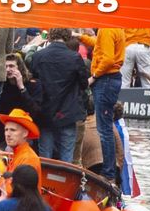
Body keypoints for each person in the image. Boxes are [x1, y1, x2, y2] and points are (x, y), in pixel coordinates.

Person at [28, 28, 89, 162]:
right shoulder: (74, 57)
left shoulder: (39, 56)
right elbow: (84, 83)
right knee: (67, 155)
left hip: (46, 111)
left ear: (49, 37)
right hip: (68, 111)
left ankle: (44, 180)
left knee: (45, 155)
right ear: (67, 37)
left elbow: (33, 80)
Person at [78, 29, 126, 181]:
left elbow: (108, 59)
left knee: (104, 130)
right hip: (111, 79)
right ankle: (109, 171)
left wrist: (94, 76)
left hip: (105, 79)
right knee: (105, 128)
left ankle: (108, 173)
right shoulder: (112, 28)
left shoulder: (106, 29)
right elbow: (100, 44)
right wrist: (82, 37)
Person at [0, 108, 43, 193]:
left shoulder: (28, 158)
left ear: (25, 133)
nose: (8, 134)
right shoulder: (17, 154)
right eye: (6, 130)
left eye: (13, 130)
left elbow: (15, 193)